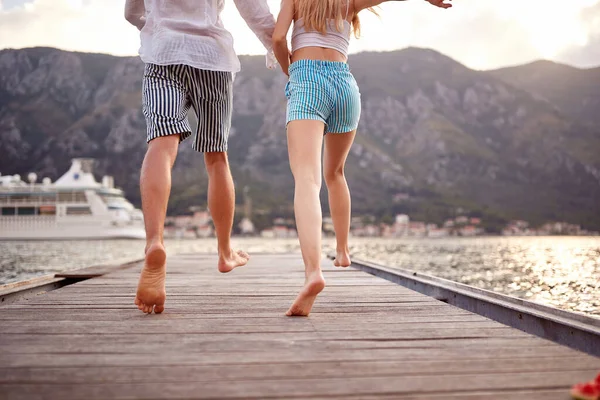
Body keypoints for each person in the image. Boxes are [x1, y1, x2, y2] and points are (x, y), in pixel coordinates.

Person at [272, 0, 453, 316]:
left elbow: (277, 39)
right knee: (336, 173)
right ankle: (342, 251)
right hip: (345, 85)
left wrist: (292, 71)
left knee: (307, 179)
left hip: (307, 78)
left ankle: (314, 272)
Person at [124, 0, 276, 314]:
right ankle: (224, 252)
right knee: (216, 157)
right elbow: (254, 11)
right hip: (213, 59)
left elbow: (131, 12)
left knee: (161, 145)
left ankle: (154, 241)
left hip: (163, 56)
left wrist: (155, 27)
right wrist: (278, 46)